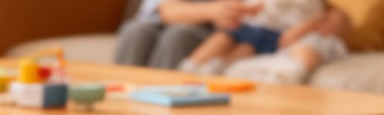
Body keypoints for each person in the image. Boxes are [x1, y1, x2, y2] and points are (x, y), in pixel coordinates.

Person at [178, 0, 349, 80]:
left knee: (306, 51)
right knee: (226, 40)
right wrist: (235, 11)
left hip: (289, 34)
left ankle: (285, 75)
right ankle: (192, 70)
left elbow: (322, 14)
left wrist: (301, 30)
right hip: (253, 27)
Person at [114, 0, 259, 69]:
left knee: (179, 35)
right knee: (135, 30)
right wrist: (212, 10)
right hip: (158, 21)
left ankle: (165, 97)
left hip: (209, 29)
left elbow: (232, 12)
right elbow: (166, 11)